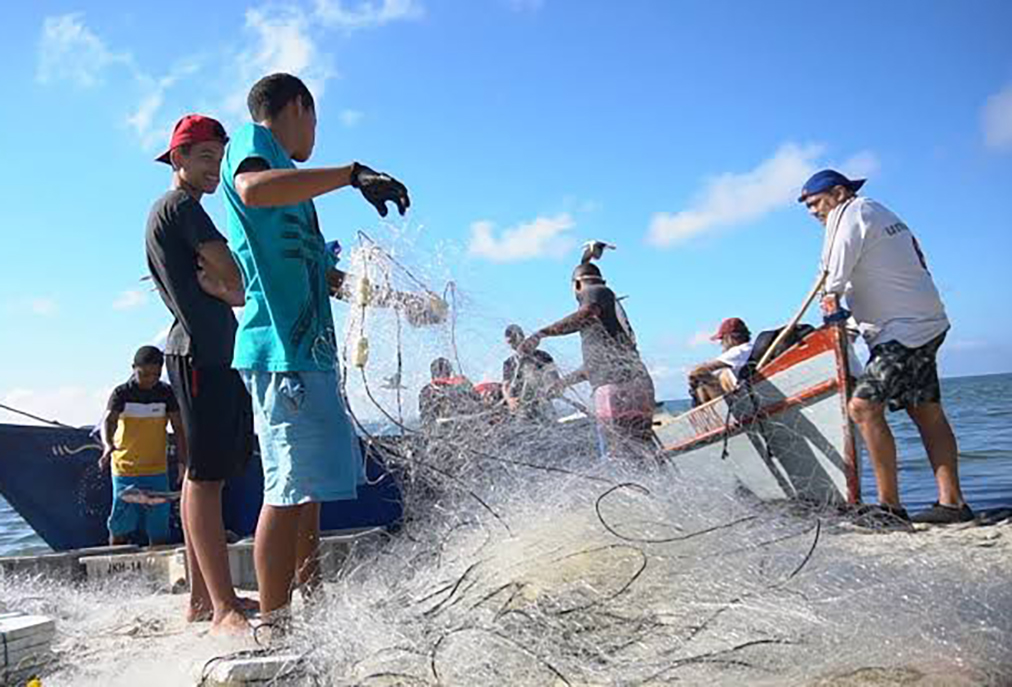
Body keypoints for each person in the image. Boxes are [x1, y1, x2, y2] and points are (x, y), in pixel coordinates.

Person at [221, 73, 410, 621]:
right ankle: (275, 626)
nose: (314, 134)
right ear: (298, 105)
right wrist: (352, 175)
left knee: (309, 492)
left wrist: (401, 303)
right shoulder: (253, 144)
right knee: (284, 489)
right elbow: (255, 190)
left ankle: (314, 599)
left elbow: (328, 277)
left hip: (309, 353)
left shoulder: (296, 189)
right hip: (279, 351)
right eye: (315, 118)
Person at [799, 169, 972, 526]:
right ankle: (953, 504)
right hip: (924, 322)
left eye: (816, 203)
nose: (814, 212)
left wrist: (829, 305)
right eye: (808, 207)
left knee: (862, 407)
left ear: (839, 192)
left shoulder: (849, 213)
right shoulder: (878, 212)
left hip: (902, 331)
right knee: (924, 410)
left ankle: (890, 508)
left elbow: (830, 277)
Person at [145, 114, 257, 632]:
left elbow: (232, 288)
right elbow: (235, 276)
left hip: (210, 351)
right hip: (199, 354)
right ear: (179, 160)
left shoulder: (178, 211)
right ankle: (223, 606)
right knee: (204, 478)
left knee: (206, 475)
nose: (215, 167)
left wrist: (229, 289)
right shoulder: (181, 208)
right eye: (204, 157)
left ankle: (201, 600)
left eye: (220, 156)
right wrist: (230, 285)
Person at [521, 260, 656, 458]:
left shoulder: (595, 291)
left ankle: (635, 486)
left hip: (617, 388)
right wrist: (563, 383)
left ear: (576, 285)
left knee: (618, 453)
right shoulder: (610, 310)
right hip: (635, 383)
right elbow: (595, 365)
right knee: (641, 450)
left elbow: (585, 314)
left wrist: (541, 333)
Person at [99, 346, 183, 548]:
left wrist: (183, 462)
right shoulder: (122, 393)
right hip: (125, 470)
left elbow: (179, 429)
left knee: (159, 529)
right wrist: (107, 446)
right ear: (133, 368)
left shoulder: (165, 393)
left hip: (156, 470)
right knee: (120, 527)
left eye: (156, 374)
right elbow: (107, 421)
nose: (150, 379)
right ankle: (116, 570)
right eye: (144, 374)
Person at [687, 318, 753, 405]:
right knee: (721, 374)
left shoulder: (738, 351)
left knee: (700, 375)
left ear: (729, 338)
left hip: (737, 399)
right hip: (743, 388)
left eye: (722, 340)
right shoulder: (750, 348)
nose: (721, 343)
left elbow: (699, 370)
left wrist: (692, 380)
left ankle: (710, 407)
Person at [502, 324, 560, 421]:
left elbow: (554, 378)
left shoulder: (542, 356)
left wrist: (551, 389)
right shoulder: (509, 363)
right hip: (521, 407)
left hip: (543, 403)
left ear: (523, 337)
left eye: (515, 340)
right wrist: (509, 400)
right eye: (511, 342)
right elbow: (505, 385)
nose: (514, 345)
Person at [418, 358, 483, 426]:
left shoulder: (460, 385)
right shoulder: (427, 391)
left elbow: (475, 398)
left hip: (458, 423)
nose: (442, 376)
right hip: (446, 426)